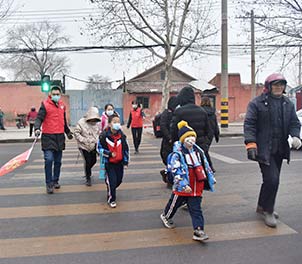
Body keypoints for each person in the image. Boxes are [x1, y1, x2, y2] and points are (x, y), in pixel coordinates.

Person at [244, 73, 301, 228]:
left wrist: (295, 136)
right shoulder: (257, 103)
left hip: (280, 149)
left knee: (270, 180)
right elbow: (249, 124)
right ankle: (269, 210)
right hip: (263, 149)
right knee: (273, 180)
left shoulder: (287, 104)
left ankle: (262, 205)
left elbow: (294, 123)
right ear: (268, 87)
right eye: (275, 85)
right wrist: (251, 144)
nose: (279, 88)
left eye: (281, 85)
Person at [160, 120, 215, 242]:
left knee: (196, 209)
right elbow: (176, 170)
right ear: (182, 139)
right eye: (188, 137)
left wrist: (211, 178)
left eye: (192, 136)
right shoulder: (177, 155)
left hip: (196, 187)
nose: (191, 139)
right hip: (183, 186)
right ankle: (166, 216)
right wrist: (183, 185)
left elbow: (205, 166)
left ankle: (198, 230)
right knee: (175, 202)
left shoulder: (198, 152)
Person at [34, 86, 73, 194]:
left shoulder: (62, 106)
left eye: (58, 94)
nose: (56, 95)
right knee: (49, 159)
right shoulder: (45, 105)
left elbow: (63, 121)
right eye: (54, 94)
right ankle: (49, 183)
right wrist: (37, 128)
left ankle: (55, 180)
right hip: (48, 136)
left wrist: (68, 132)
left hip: (59, 137)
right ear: (50, 95)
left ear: (60, 95)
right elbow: (39, 118)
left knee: (58, 161)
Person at [171, 86, 212, 164]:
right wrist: (205, 145)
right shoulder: (202, 111)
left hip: (185, 149)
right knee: (201, 172)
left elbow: (174, 131)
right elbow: (209, 131)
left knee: (187, 173)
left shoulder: (179, 112)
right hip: (200, 148)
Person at [98, 114, 129, 208]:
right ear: (110, 124)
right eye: (114, 122)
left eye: (118, 122)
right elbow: (99, 149)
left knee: (118, 180)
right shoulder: (104, 136)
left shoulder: (122, 136)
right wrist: (109, 154)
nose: (117, 124)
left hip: (119, 163)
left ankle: (111, 189)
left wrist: (126, 161)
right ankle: (112, 199)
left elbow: (125, 149)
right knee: (112, 181)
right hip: (109, 163)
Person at [74, 107, 101, 186]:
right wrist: (83, 140)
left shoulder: (97, 124)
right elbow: (76, 133)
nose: (93, 121)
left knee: (94, 160)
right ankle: (88, 177)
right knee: (88, 161)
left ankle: (87, 169)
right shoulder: (81, 122)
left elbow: (98, 133)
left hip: (93, 145)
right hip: (84, 146)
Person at [159, 96, 178, 183]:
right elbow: (163, 126)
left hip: (176, 141)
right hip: (168, 141)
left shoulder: (177, 113)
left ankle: (169, 175)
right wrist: (169, 137)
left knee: (174, 160)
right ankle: (167, 174)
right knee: (167, 158)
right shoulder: (166, 113)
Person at [200, 96, 220, 172]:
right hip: (210, 134)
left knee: (204, 151)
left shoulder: (200, 111)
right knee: (205, 150)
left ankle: (209, 167)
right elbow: (215, 125)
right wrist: (217, 135)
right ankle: (208, 167)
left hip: (203, 133)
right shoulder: (212, 113)